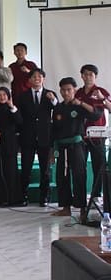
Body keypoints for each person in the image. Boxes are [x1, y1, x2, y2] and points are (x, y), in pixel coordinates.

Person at [51, 77, 101, 221]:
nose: (66, 93)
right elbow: (54, 130)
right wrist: (52, 151)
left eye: (69, 90)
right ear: (60, 91)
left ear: (74, 90)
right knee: (62, 177)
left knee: (79, 175)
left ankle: (82, 208)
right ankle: (65, 208)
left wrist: (82, 103)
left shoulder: (79, 105)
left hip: (77, 145)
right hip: (61, 147)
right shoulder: (57, 108)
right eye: (63, 90)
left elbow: (96, 115)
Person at [16, 68, 57, 206]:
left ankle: (44, 197)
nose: (37, 78)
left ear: (43, 78)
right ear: (29, 80)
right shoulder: (23, 96)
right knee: (26, 168)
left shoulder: (50, 94)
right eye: (34, 76)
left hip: (45, 137)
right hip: (27, 137)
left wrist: (53, 100)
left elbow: (57, 109)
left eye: (39, 76)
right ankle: (23, 196)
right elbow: (19, 116)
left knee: (45, 170)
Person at [76, 64, 111, 202]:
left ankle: (96, 196)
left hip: (97, 136)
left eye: (91, 74)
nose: (88, 77)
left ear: (95, 76)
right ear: (81, 76)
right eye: (85, 74)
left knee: (99, 166)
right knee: (80, 167)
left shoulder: (101, 91)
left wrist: (102, 98)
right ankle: (81, 198)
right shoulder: (78, 93)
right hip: (81, 136)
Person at [0, 87, 23, 206]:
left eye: (4, 95)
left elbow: (19, 121)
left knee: (10, 171)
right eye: (0, 95)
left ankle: (12, 197)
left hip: (10, 144)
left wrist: (12, 107)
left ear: (8, 96)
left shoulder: (13, 109)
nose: (2, 97)